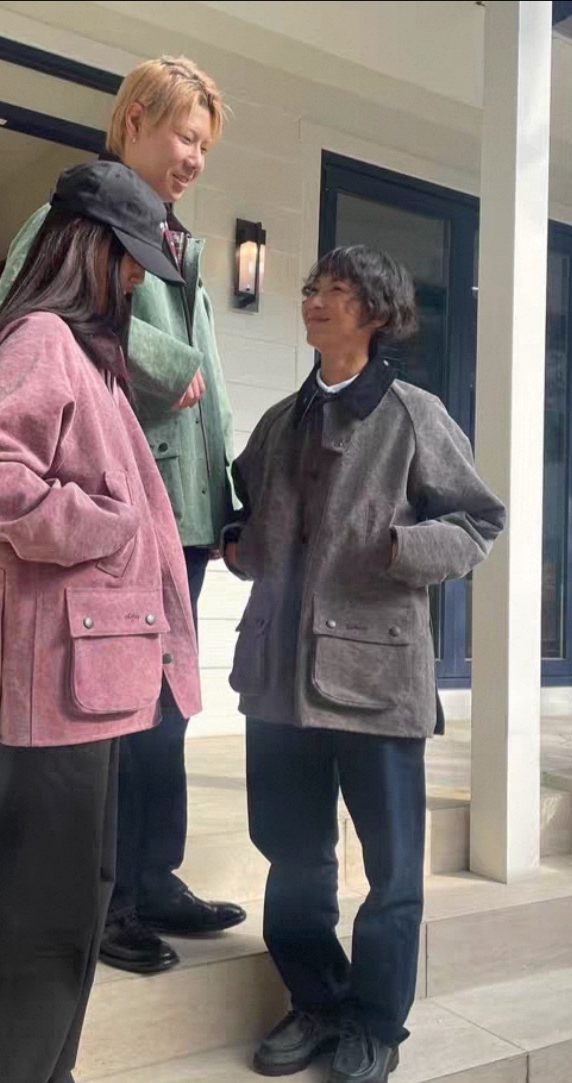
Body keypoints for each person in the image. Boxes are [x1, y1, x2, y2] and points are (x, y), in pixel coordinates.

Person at [0, 160, 201, 1083]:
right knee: (35, 912)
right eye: (127, 263)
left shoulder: (91, 360)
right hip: (55, 679)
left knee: (71, 906)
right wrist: (100, 523)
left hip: (94, 682)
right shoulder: (42, 340)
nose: (134, 283)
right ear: (89, 251)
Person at [222, 246, 506, 1083]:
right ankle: (315, 998)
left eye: (337, 290)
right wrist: (238, 546)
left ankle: (376, 1023)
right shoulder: (281, 420)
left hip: (378, 682)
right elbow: (244, 511)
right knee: (292, 853)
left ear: (376, 313)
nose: (316, 299)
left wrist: (400, 548)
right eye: (313, 287)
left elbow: (478, 521)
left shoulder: (415, 415)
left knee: (391, 869)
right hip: (277, 677)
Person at [0, 56, 245, 976]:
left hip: (186, 513)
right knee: (116, 713)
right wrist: (167, 366)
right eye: (185, 136)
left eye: (205, 145)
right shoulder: (71, 220)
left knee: (165, 710)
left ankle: (153, 875)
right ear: (134, 119)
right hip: (124, 514)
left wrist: (228, 502)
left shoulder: (179, 239)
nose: (195, 158)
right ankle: (106, 901)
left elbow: (213, 398)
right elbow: (28, 314)